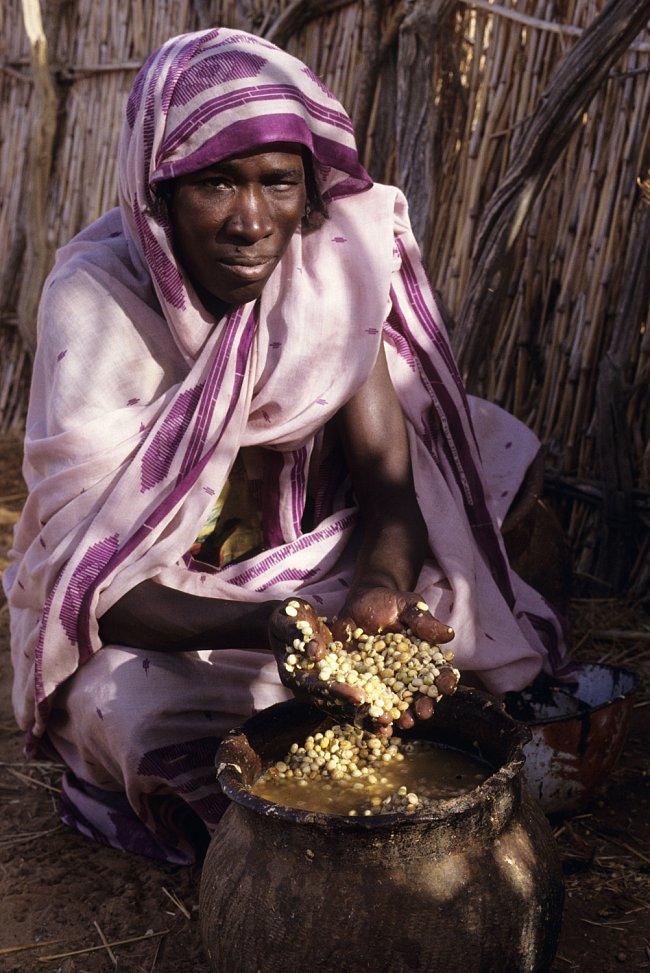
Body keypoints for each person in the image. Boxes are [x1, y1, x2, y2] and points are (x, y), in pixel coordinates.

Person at [4, 27, 566, 863]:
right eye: (216, 183)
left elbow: (389, 495)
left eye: (278, 183)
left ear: (311, 193)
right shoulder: (98, 303)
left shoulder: (329, 273)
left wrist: (373, 596)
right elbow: (90, 583)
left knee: (453, 626)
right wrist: (275, 626)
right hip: (177, 612)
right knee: (126, 706)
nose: (252, 220)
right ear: (157, 191)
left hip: (312, 578)